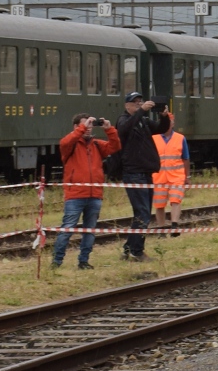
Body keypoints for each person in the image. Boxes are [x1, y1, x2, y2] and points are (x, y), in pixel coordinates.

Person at [54, 114, 121, 269]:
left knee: (89, 231)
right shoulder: (69, 145)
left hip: (94, 195)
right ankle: (57, 261)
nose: (89, 128)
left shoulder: (96, 145)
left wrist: (109, 129)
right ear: (76, 127)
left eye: (91, 125)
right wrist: (83, 127)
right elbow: (66, 141)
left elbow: (115, 146)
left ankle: (83, 261)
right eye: (85, 125)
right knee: (67, 228)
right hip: (75, 195)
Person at [116, 93, 168, 262]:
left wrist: (164, 116)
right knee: (142, 212)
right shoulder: (123, 120)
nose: (139, 105)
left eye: (140, 102)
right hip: (133, 173)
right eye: (135, 103)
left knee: (143, 212)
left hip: (146, 173)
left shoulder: (143, 121)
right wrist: (142, 111)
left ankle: (129, 248)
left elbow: (161, 129)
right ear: (127, 106)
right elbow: (124, 129)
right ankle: (136, 251)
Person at [152, 117, 189, 228]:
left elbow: (186, 158)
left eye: (170, 121)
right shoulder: (154, 138)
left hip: (176, 176)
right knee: (159, 204)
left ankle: (174, 225)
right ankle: (161, 228)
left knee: (175, 200)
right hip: (158, 177)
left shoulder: (180, 138)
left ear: (173, 123)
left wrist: (187, 176)